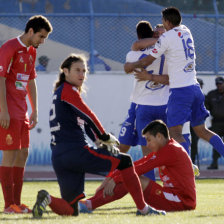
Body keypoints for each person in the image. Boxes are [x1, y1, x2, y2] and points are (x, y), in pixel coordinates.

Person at [32, 54, 166, 218]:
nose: (82, 74)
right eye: (77, 70)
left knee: (70, 210)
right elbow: (88, 115)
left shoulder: (60, 92)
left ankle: (47, 198)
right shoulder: (68, 90)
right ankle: (144, 209)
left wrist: (98, 141)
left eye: (84, 71)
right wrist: (103, 136)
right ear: (65, 71)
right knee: (125, 161)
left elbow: (83, 122)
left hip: (59, 157)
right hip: (75, 152)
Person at [124, 7, 224, 166]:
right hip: (195, 87)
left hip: (181, 91)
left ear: (167, 22)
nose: (160, 28)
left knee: (174, 132)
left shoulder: (166, 38)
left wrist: (132, 65)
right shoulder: (186, 30)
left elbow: (147, 60)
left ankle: (186, 167)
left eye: (162, 23)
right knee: (202, 131)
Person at [79, 120, 196, 213]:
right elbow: (137, 164)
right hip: (171, 196)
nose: (147, 145)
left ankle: (89, 204)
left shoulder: (171, 150)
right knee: (130, 175)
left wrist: (115, 178)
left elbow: (141, 168)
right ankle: (89, 203)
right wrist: (111, 176)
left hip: (182, 201)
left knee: (133, 178)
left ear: (159, 136)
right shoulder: (167, 148)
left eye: (149, 140)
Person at [0, 15, 52, 214]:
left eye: (45, 37)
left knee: (23, 154)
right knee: (10, 155)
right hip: (9, 112)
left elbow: (30, 81)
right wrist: (3, 110)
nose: (42, 41)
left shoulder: (31, 52)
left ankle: (17, 203)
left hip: (22, 112)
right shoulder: (9, 48)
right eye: (41, 36)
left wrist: (35, 109)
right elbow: (1, 79)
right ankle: (7, 205)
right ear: (31, 31)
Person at [118, 21, 169, 181]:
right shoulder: (171, 53)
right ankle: (169, 186)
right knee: (165, 148)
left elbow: (127, 67)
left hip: (144, 105)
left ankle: (149, 190)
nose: (159, 36)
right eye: (157, 34)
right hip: (161, 105)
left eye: (161, 33)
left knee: (147, 151)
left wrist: (148, 74)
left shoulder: (136, 53)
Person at [205, 76, 224, 169]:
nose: (219, 86)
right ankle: (214, 163)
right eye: (218, 84)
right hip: (216, 122)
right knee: (216, 143)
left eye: (221, 84)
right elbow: (206, 106)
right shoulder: (211, 94)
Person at [190, 78, 204, 167]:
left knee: (194, 143)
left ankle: (193, 161)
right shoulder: (188, 95)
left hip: (196, 123)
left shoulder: (202, 96)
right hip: (186, 123)